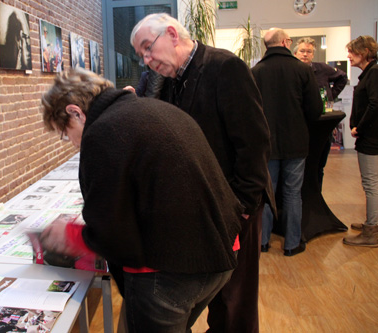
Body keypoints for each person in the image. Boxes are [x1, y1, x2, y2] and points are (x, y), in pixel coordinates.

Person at [40, 68, 243, 332]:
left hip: (170, 270)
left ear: (75, 112)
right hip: (220, 254)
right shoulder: (156, 110)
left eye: (65, 132)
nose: (71, 142)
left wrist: (69, 236)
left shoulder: (102, 133)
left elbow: (113, 235)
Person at [130, 13, 275, 333]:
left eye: (148, 48)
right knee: (209, 293)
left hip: (235, 208)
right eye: (141, 55)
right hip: (201, 212)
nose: (147, 59)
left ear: (171, 33)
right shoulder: (166, 81)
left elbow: (254, 144)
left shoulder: (225, 67)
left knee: (234, 304)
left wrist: (242, 209)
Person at [252, 28, 323, 256]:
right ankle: (292, 244)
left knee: (267, 193)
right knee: (293, 193)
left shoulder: (256, 72)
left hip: (266, 144)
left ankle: (263, 242)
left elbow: (249, 111)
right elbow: (315, 110)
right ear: (285, 42)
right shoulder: (303, 70)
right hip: (296, 142)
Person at [293, 37, 349, 188]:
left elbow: (342, 77)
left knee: (319, 164)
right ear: (295, 53)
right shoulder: (292, 70)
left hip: (321, 124)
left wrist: (331, 94)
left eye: (309, 52)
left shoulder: (322, 69)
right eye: (302, 51)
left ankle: (317, 196)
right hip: (300, 125)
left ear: (313, 54)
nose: (305, 54)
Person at [342, 35, 378, 247]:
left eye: (352, 52)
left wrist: (358, 127)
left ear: (364, 52)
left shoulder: (373, 73)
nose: (348, 56)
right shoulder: (370, 72)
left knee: (371, 184)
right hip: (371, 136)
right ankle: (371, 223)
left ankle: (371, 230)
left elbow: (375, 105)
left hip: (371, 139)